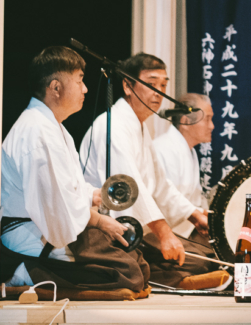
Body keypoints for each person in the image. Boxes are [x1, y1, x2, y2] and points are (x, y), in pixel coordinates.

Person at [1, 47, 149, 296]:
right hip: (32, 238)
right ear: (56, 87)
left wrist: (93, 195)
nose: (85, 89)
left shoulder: (53, 127)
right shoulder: (37, 132)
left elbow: (69, 190)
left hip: (50, 229)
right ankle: (24, 275)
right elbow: (55, 207)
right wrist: (100, 221)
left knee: (137, 262)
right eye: (80, 80)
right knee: (128, 273)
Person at [80, 53, 227, 290]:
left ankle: (166, 274)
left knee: (208, 257)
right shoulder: (113, 126)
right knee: (192, 263)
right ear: (128, 86)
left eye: (163, 85)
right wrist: (165, 234)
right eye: (151, 83)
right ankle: (163, 277)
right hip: (108, 230)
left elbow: (160, 185)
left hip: (138, 229)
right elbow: (130, 187)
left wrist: (193, 214)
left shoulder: (138, 127)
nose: (158, 92)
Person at [153, 93, 214, 238]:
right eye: (207, 119)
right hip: (161, 234)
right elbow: (164, 199)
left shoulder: (190, 151)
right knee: (206, 260)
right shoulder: (163, 149)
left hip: (185, 229)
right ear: (186, 121)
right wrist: (195, 213)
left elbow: (194, 200)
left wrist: (206, 213)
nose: (212, 126)